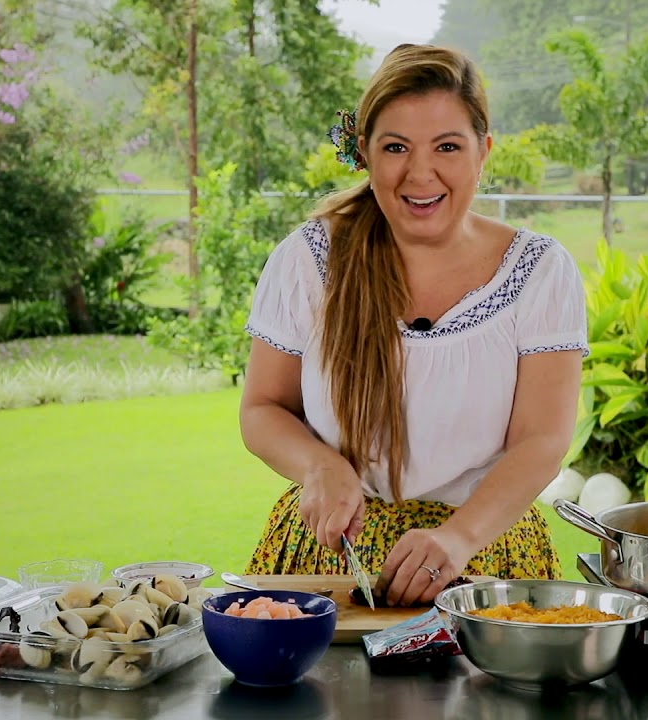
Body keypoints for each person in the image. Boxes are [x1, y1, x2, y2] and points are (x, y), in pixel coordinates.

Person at [239, 43, 588, 608]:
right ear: (365, 153)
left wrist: (459, 537)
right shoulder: (309, 259)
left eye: (447, 146)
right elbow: (262, 409)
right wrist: (319, 464)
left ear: (483, 152)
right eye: (396, 146)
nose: (419, 173)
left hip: (483, 558)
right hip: (328, 562)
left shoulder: (542, 272)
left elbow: (542, 439)